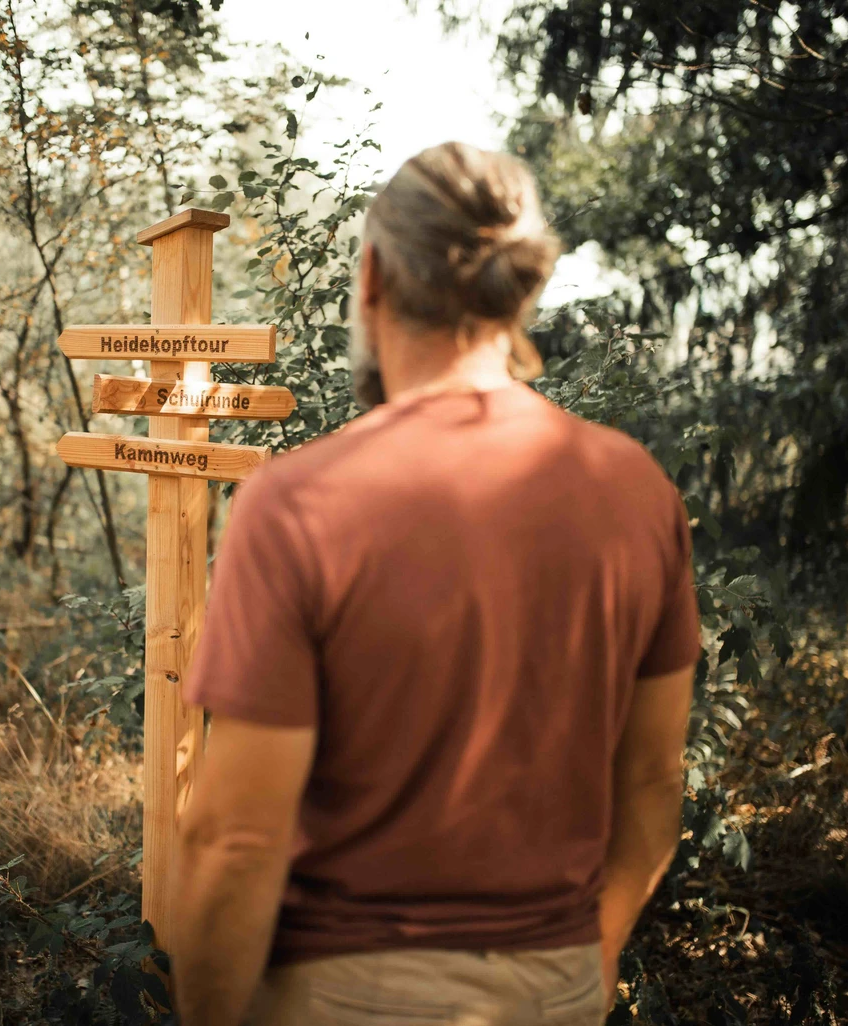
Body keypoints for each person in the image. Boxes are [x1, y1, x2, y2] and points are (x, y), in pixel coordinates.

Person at [170, 141, 700, 1026]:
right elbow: (652, 784)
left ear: (371, 277)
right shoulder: (637, 490)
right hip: (560, 983)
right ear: (524, 288)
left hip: (345, 993)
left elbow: (236, 839)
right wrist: (591, 961)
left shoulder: (300, 502)